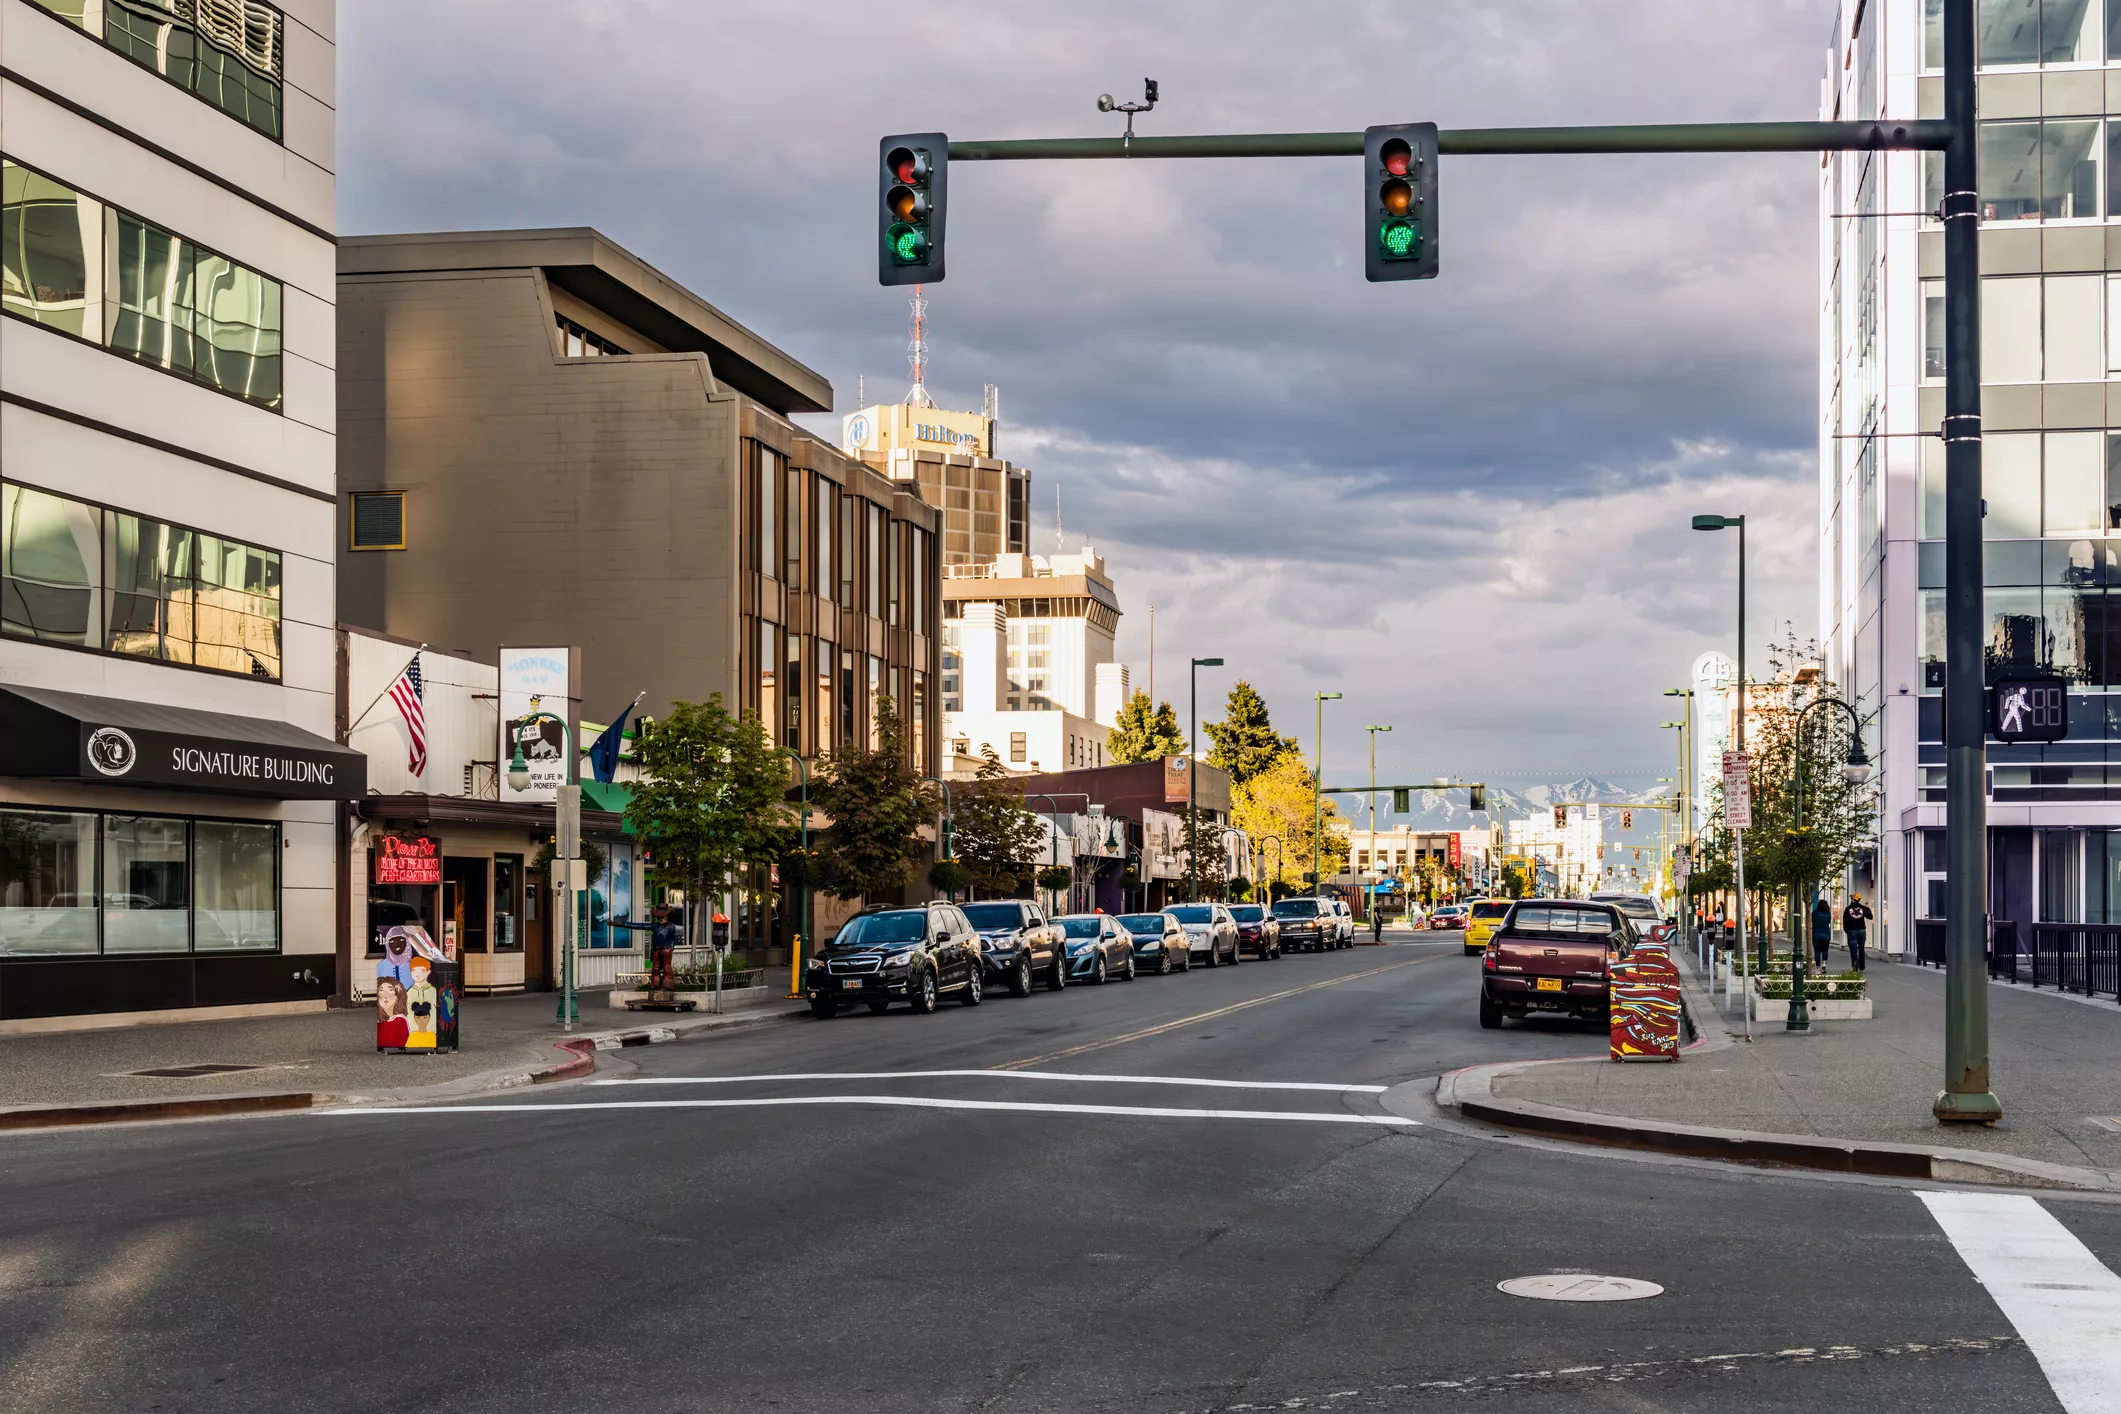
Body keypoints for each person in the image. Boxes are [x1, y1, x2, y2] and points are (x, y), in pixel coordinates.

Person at [1842, 893, 1872, 973]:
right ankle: (1862, 967)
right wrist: (1867, 908)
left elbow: (1845, 920)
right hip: (1861, 930)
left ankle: (1855, 967)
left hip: (1852, 931)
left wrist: (1846, 930)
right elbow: (1870, 916)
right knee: (1861, 949)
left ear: (1853, 899)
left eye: (1852, 898)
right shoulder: (1862, 908)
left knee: (1853, 949)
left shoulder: (1848, 909)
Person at [1810, 896, 1833, 969]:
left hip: (1816, 934)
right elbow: (1829, 922)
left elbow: (1811, 921)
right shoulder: (1828, 914)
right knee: (1825, 950)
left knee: (1817, 951)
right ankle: (1824, 963)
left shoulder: (1815, 913)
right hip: (1826, 934)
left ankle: (1817, 968)